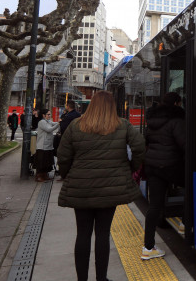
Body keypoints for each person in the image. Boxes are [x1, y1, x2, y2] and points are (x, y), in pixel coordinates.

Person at [57, 91, 145, 281]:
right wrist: (130, 168)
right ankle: (101, 278)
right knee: (103, 234)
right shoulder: (122, 125)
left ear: (92, 105)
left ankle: (82, 279)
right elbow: (139, 147)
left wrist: (69, 175)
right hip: (111, 187)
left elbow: (63, 156)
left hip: (81, 187)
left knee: (82, 234)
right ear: (112, 106)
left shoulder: (75, 125)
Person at [142, 92, 186, 260]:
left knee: (154, 206)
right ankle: (185, 222)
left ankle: (148, 247)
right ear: (176, 104)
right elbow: (184, 144)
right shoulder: (176, 121)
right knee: (194, 185)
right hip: (170, 166)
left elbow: (147, 141)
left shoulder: (152, 121)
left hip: (153, 166)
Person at [34, 108, 59, 182]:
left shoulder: (48, 121)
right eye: (48, 114)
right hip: (42, 146)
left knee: (47, 162)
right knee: (41, 162)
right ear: (43, 115)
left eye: (50, 114)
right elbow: (49, 129)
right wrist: (58, 124)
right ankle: (39, 176)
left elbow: (54, 123)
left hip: (48, 146)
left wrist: (59, 122)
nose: (49, 115)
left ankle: (45, 175)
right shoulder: (42, 122)